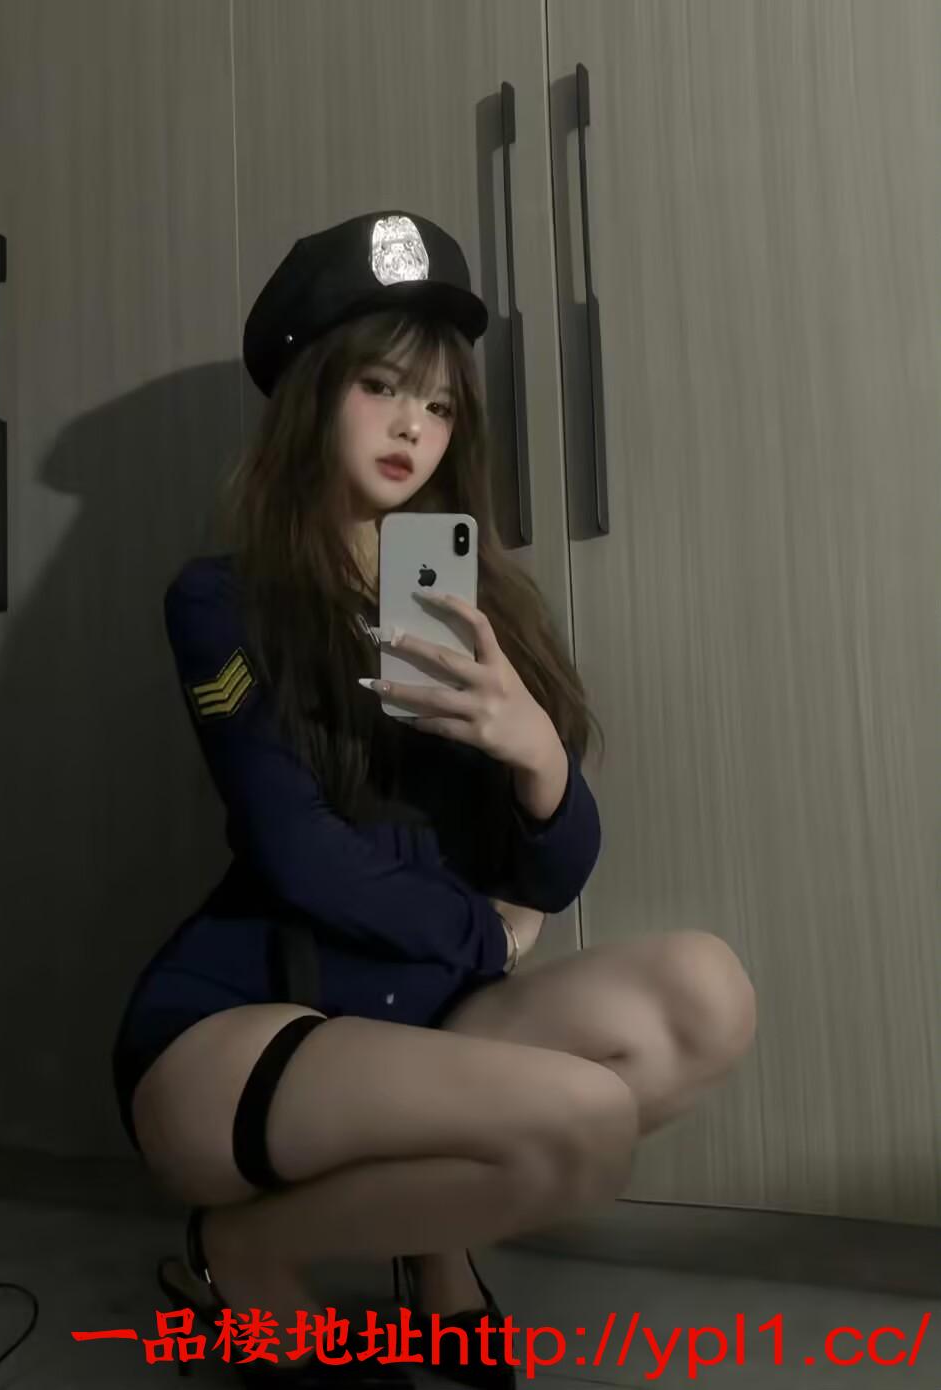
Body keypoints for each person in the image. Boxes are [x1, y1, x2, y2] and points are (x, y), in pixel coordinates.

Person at [111, 211, 757, 1388]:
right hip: (247, 1022)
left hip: (424, 1013)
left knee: (705, 993)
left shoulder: (472, 604)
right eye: (379, 387)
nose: (413, 425)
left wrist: (536, 756)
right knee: (582, 1123)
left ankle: (427, 1250)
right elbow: (294, 851)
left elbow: (548, 872)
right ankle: (239, 1252)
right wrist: (484, 935)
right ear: (312, 395)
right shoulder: (221, 601)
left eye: (440, 403)